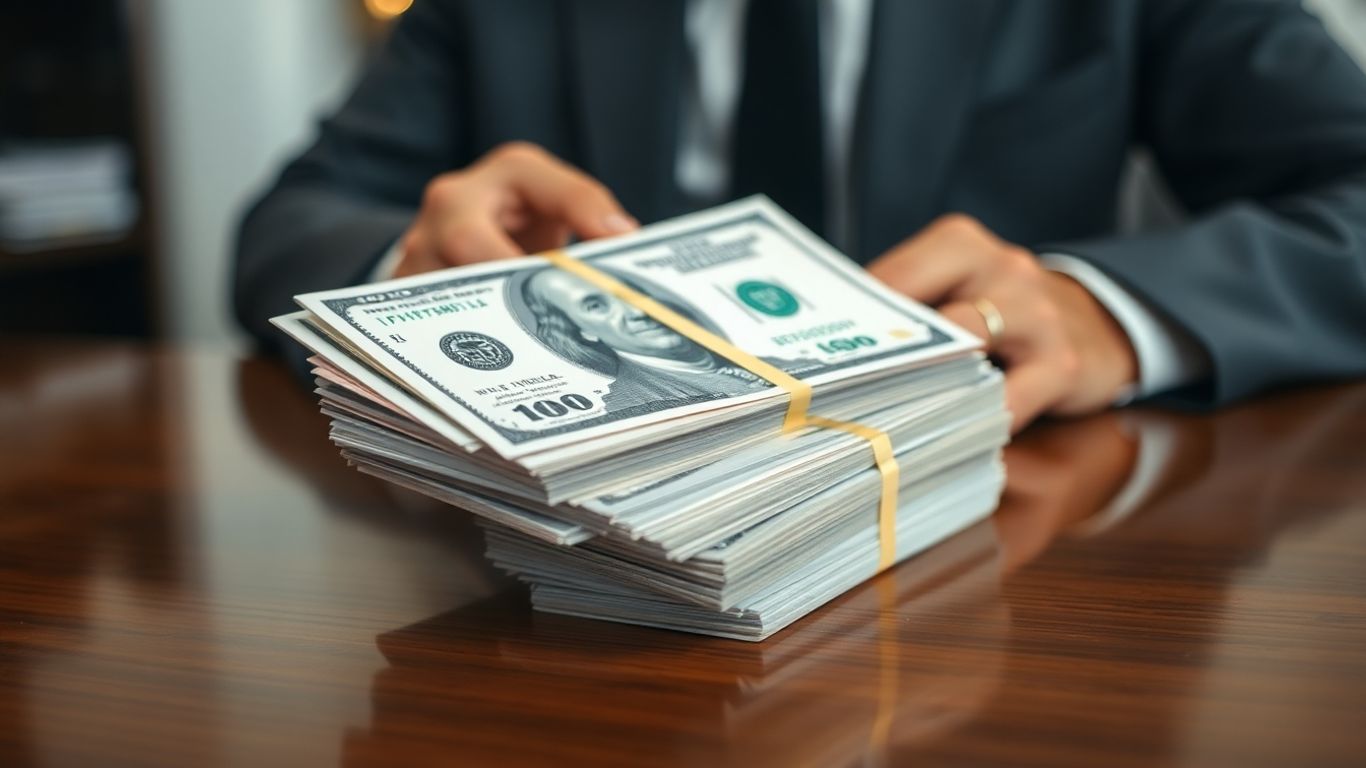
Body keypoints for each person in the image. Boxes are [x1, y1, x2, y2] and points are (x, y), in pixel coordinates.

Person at [235, 0, 1366, 433]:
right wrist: (414, 274)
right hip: (584, 592)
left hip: (1011, 550)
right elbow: (290, 223)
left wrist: (1105, 311)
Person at [514, 266, 767, 411]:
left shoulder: (773, 364)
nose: (637, 311)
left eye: (629, 294)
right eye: (596, 306)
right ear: (580, 330)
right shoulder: (630, 405)